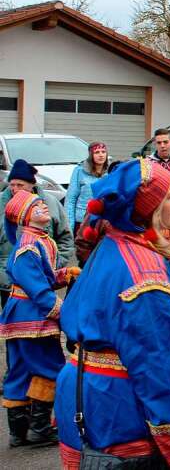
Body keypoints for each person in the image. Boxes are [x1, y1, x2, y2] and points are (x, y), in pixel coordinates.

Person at [54, 159, 170, 469]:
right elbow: (155, 367)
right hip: (116, 405)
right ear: (149, 210)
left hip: (81, 391)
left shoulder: (109, 246)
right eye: (168, 196)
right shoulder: (145, 274)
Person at [2, 190, 79, 448]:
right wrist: (63, 312)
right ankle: (41, 428)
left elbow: (41, 278)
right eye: (36, 205)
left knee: (20, 371)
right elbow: (37, 290)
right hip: (32, 316)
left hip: (21, 315)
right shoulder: (27, 248)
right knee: (50, 367)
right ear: (25, 216)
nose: (44, 206)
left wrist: (65, 273)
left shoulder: (40, 241)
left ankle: (19, 432)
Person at [0, 159, 74, 306]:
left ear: (32, 185)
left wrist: (54, 264)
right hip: (8, 281)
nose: (15, 189)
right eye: (12, 185)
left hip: (41, 279)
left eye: (20, 185)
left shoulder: (50, 203)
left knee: (42, 322)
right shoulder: (2, 204)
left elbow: (66, 238)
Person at [65, 142, 110, 233]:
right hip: (82, 221)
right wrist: (69, 227)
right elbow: (70, 199)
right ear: (91, 155)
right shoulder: (79, 171)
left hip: (104, 221)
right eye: (97, 152)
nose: (101, 155)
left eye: (103, 152)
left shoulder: (111, 171)